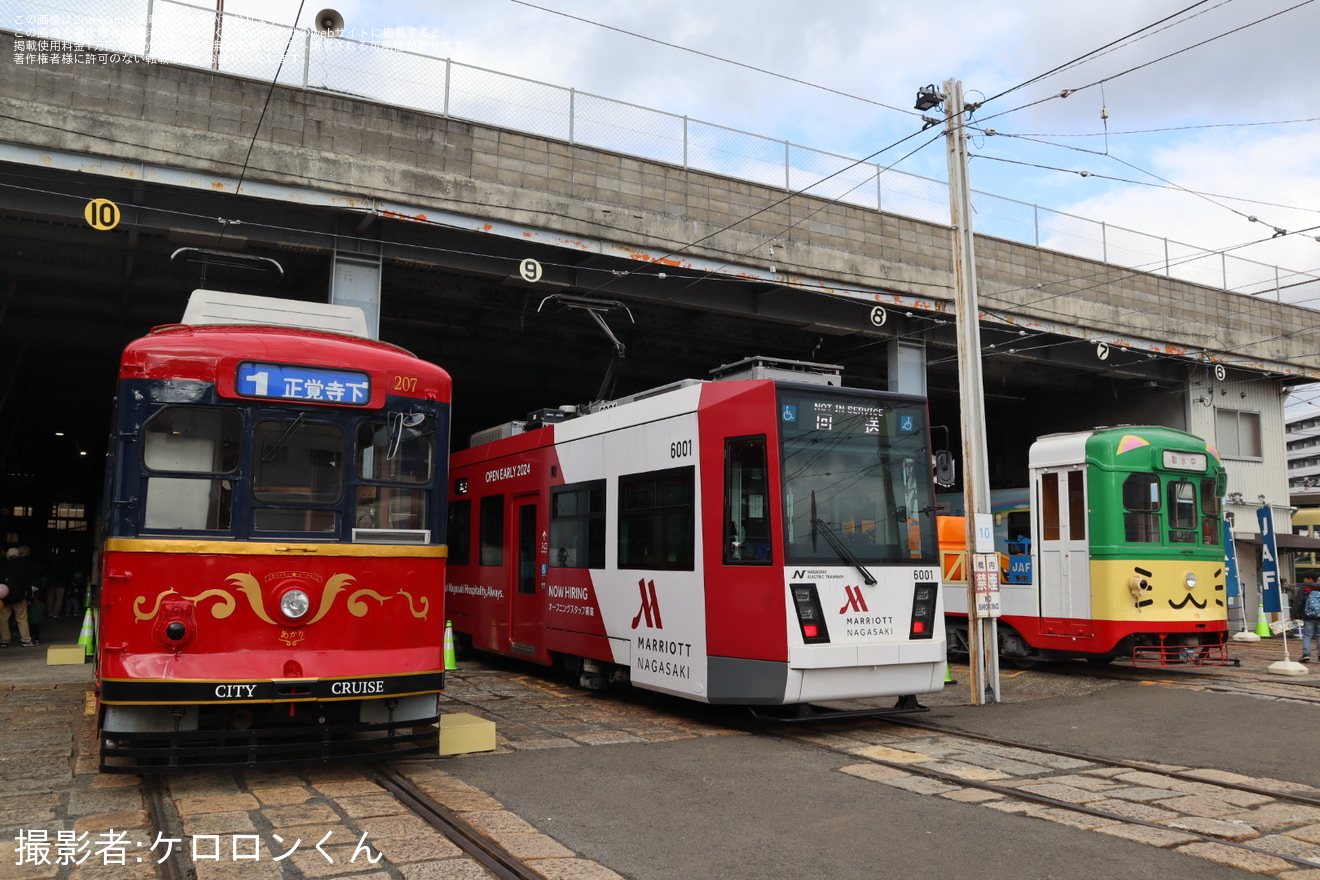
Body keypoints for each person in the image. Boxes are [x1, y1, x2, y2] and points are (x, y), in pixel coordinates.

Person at [0, 547, 36, 647]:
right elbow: (27, 584)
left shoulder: (2, 567)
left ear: (7, 556)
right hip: (19, 597)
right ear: (19, 555)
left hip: (4, 598)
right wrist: (29, 597)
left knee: (3, 619)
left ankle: (4, 640)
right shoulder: (23, 567)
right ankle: (26, 640)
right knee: (22, 619)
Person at [1292, 576, 1320, 663]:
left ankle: (1306, 654)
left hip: (1308, 617)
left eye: (1305, 578)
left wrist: (1293, 614)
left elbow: (1298, 602)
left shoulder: (1304, 588)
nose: (1304, 580)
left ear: (1310, 579)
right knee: (1319, 635)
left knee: (1307, 636)